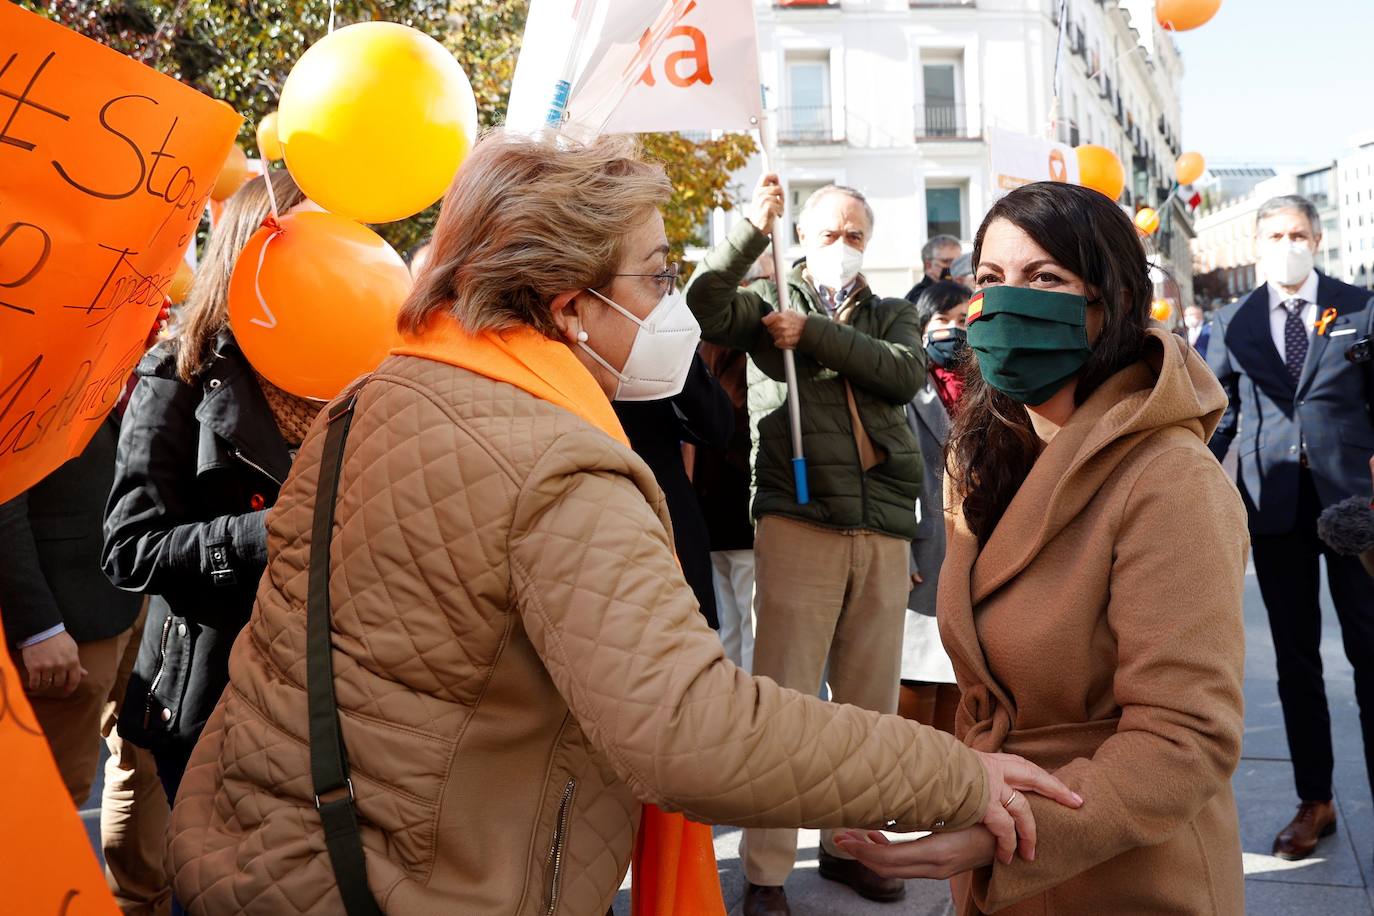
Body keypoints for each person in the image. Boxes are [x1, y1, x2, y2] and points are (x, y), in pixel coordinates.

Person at [165, 131, 1079, 916]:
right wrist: (960, 777)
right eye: (656, 277)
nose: (669, 306)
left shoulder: (377, 393)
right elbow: (694, 729)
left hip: (254, 847)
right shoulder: (555, 465)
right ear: (570, 307)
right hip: (412, 884)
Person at [834, 182, 1248, 914]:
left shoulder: (1172, 480)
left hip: (1123, 872)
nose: (1008, 302)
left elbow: (1185, 739)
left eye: (1046, 279)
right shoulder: (984, 454)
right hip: (998, 855)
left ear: (1111, 303)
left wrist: (1001, 836)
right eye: (990, 280)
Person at [686, 178, 928, 911]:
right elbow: (703, 304)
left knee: (869, 705)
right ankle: (766, 872)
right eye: (829, 233)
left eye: (855, 234)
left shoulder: (891, 313)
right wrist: (753, 230)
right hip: (798, 517)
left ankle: (851, 849)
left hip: (882, 523)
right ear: (803, 236)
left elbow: (903, 373)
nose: (842, 246)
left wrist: (815, 335)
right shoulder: (768, 305)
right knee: (786, 701)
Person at [102, 170, 313, 815]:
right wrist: (264, 532)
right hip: (211, 692)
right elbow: (130, 548)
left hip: (328, 699)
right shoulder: (179, 370)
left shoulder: (353, 373)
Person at [1206, 193, 1374, 861]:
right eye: (1275, 233)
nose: (1287, 243)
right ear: (1257, 243)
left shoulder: (1359, 306)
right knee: (1296, 661)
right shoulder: (1232, 318)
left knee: (1369, 653)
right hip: (1274, 509)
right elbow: (1216, 413)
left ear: (1317, 236)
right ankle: (1316, 800)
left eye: (1298, 232)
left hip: (1354, 511)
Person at [614, 352, 735, 629]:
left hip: (672, 537)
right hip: (600, 542)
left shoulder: (655, 341)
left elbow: (718, 425)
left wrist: (670, 349)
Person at [692, 254, 772, 668]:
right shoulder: (739, 348)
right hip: (737, 507)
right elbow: (741, 422)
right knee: (750, 624)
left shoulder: (700, 343)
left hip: (711, 507)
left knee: (732, 624)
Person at [899, 280, 970, 735]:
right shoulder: (903, 386)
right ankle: (905, 808)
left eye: (963, 321)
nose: (953, 331)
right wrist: (900, 550)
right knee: (915, 687)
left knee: (961, 694)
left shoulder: (988, 387)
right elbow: (886, 471)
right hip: (924, 557)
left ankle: (950, 803)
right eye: (943, 321)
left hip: (973, 560)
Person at [906, 234, 962, 303]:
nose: (954, 266)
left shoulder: (958, 289)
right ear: (928, 266)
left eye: (958, 261)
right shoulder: (921, 296)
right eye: (946, 261)